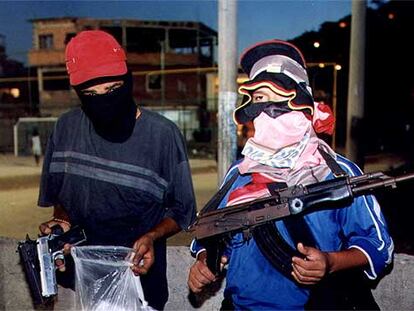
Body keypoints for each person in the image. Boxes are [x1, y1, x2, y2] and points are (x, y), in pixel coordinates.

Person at [188, 40, 393, 310]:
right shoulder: (239, 174)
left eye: (280, 101)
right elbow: (210, 235)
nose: (269, 114)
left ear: (302, 106)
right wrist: (204, 260)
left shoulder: (338, 173)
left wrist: (330, 263)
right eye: (260, 100)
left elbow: (379, 246)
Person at [37, 30, 196, 310]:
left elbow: (182, 211)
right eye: (90, 94)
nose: (104, 102)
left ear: (128, 79)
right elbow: (61, 196)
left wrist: (152, 236)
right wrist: (60, 221)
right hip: (75, 284)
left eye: (112, 90)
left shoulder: (163, 135)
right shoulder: (65, 128)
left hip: (137, 285)